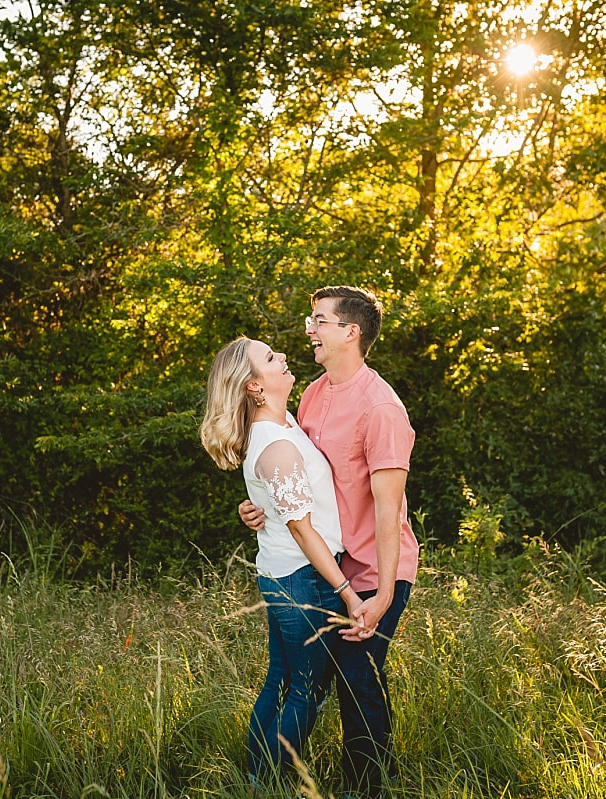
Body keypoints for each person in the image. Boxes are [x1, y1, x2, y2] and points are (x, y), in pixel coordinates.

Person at [239, 286, 419, 799]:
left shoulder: (382, 409)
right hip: (327, 566)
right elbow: (291, 470)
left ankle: (367, 787)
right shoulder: (314, 393)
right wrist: (258, 507)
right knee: (315, 682)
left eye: (319, 320)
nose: (309, 330)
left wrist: (383, 593)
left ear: (350, 332)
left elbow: (390, 509)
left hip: (376, 567)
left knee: (358, 676)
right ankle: (275, 776)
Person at [200, 336, 363, 789]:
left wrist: (250, 508)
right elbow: (301, 529)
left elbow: (276, 499)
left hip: (283, 574)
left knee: (282, 681)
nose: (284, 357)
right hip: (300, 579)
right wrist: (346, 591)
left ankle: (255, 776)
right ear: (254, 386)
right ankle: (269, 780)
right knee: (306, 690)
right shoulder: (277, 445)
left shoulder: (282, 423)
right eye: (271, 358)